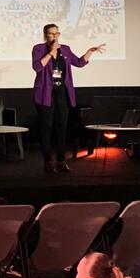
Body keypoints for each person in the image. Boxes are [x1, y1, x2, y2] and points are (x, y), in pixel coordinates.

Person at [32, 23, 105, 172]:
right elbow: (37, 67)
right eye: (51, 34)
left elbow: (78, 62)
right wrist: (50, 53)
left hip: (61, 93)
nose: (54, 36)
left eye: (56, 33)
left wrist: (89, 52)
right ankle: (48, 163)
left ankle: (61, 161)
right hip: (45, 93)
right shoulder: (39, 48)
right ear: (46, 35)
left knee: (61, 128)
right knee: (46, 129)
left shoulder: (65, 49)